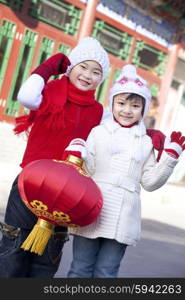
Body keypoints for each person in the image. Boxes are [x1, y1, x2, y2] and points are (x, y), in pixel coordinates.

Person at [0, 37, 110, 278]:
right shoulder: (49, 92)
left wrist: (148, 135)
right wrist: (49, 67)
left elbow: (120, 131)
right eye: (83, 66)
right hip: (30, 184)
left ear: (101, 79)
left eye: (96, 72)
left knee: (47, 258)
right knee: (13, 249)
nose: (88, 75)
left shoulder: (101, 112)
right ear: (70, 67)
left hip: (68, 193)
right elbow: (26, 97)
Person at [64, 64, 185, 278]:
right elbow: (87, 170)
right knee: (80, 269)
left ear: (143, 109)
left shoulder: (146, 142)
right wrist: (78, 152)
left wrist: (169, 159)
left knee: (106, 272)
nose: (127, 110)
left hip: (123, 216)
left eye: (135, 105)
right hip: (92, 209)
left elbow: (149, 182)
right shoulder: (98, 132)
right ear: (112, 104)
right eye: (121, 103)